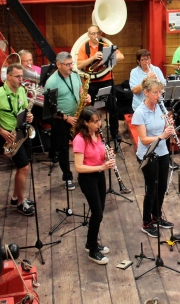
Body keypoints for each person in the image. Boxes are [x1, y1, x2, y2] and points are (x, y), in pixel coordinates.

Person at [0, 64, 36, 216]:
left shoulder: (21, 90)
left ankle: (15, 197)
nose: (21, 80)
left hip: (22, 132)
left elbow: (24, 109)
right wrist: (0, 131)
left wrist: (29, 116)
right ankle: (20, 202)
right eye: (18, 77)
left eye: (22, 76)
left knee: (23, 168)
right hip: (10, 137)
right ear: (8, 77)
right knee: (24, 167)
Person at [131, 79, 175, 238]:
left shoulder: (160, 108)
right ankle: (146, 222)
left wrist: (169, 126)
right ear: (146, 92)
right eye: (155, 92)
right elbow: (143, 139)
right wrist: (162, 136)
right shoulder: (140, 112)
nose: (159, 96)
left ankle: (156, 217)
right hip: (147, 154)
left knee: (162, 187)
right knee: (152, 189)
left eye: (160, 92)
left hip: (162, 152)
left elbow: (162, 130)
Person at [73, 107, 116, 265]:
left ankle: (91, 243)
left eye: (100, 120)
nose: (99, 124)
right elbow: (79, 167)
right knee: (97, 213)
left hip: (99, 175)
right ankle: (92, 249)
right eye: (95, 121)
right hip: (88, 178)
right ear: (86, 123)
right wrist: (101, 167)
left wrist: (107, 155)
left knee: (100, 211)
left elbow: (98, 155)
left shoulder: (98, 135)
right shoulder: (79, 139)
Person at [44, 52, 89, 191]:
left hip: (77, 116)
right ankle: (68, 177)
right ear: (58, 65)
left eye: (71, 64)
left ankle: (85, 172)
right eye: (68, 64)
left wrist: (85, 97)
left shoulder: (75, 75)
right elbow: (50, 109)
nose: (71, 67)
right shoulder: (51, 82)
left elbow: (80, 90)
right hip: (61, 119)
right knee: (63, 149)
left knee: (84, 144)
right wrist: (66, 118)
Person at [76, 25, 125, 143]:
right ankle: (95, 133)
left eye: (97, 33)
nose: (95, 36)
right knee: (93, 110)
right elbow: (78, 65)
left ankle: (114, 133)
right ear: (88, 35)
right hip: (92, 82)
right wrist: (92, 58)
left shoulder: (105, 45)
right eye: (93, 34)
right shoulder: (84, 47)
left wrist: (108, 57)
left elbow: (121, 56)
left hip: (107, 80)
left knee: (112, 107)